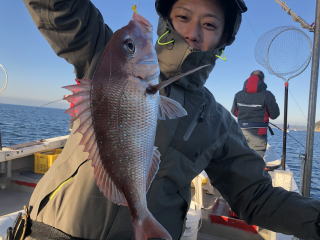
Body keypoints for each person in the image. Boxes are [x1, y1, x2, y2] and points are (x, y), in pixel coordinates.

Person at [19, 0, 320, 239]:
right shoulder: (105, 59)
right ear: (166, 20)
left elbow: (256, 196)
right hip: (48, 232)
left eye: (210, 23)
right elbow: (57, 8)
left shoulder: (216, 121)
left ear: (223, 39)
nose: (193, 32)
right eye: (183, 16)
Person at [231, 70, 280, 157]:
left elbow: (234, 112)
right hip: (258, 134)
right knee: (256, 160)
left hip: (241, 131)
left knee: (241, 157)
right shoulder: (267, 95)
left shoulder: (238, 94)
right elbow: (274, 115)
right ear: (262, 80)